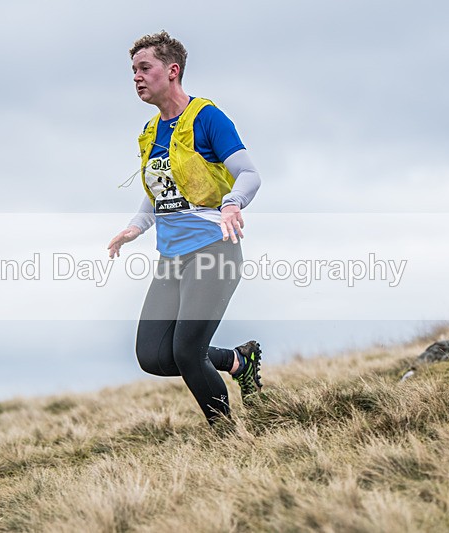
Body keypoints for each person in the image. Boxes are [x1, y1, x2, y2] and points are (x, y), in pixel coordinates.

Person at [107, 30, 262, 426]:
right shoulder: (151, 131)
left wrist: (232, 203)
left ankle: (227, 437)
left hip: (213, 248)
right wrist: (136, 227)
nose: (137, 77)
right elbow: (160, 191)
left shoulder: (206, 117)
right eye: (133, 70)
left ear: (172, 71)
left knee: (188, 351)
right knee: (154, 356)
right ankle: (238, 361)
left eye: (145, 68)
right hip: (171, 259)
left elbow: (248, 173)